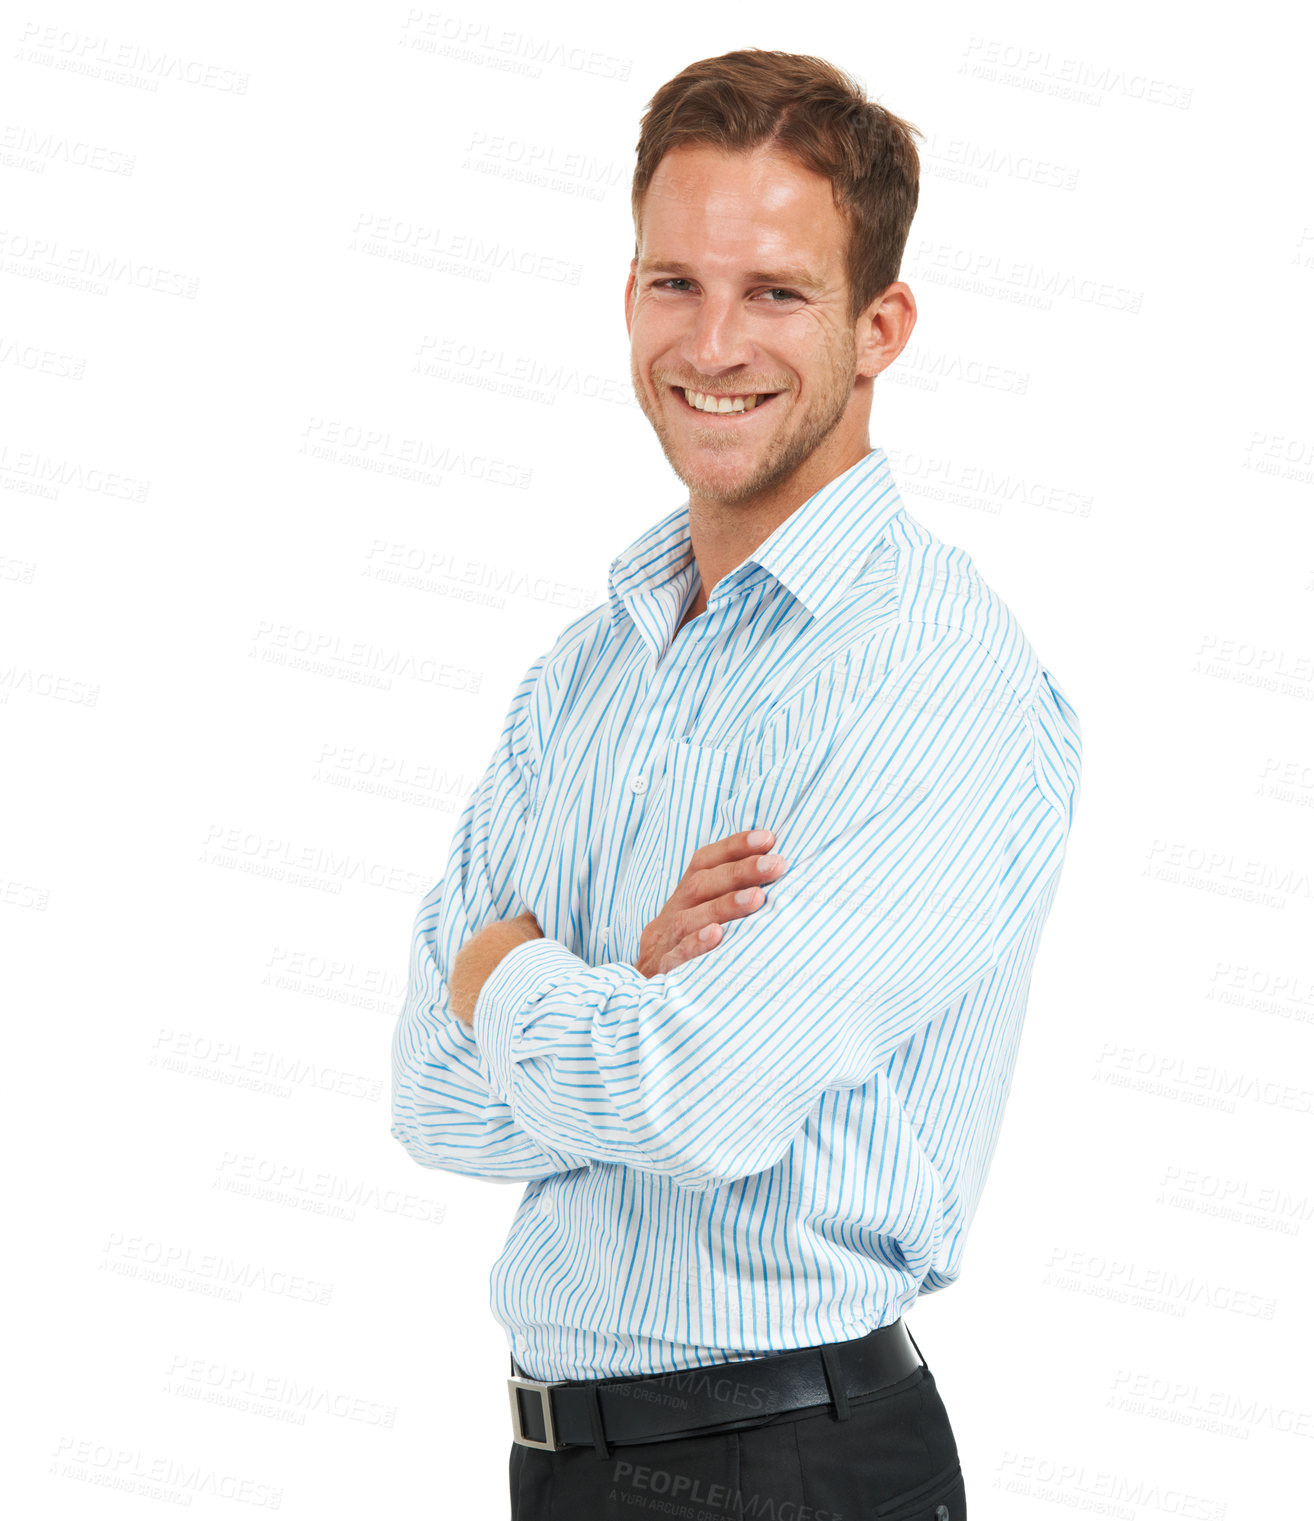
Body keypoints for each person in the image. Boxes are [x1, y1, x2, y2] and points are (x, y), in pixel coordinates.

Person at [390, 47, 1082, 1520]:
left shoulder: (927, 670)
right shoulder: (586, 669)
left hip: (789, 1465)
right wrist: (625, 989)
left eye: (774, 291)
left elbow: (696, 1096)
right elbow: (430, 1094)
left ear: (879, 324)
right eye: (671, 283)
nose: (711, 342)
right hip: (560, 1465)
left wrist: (518, 973)